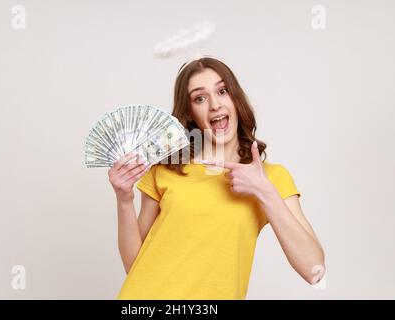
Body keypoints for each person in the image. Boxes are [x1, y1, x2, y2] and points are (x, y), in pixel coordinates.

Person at [109, 56, 325, 299]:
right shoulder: (167, 169)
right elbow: (135, 267)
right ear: (190, 113)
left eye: (222, 91)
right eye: (200, 98)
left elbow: (314, 270)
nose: (214, 105)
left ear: (235, 99)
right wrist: (124, 200)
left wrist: (264, 191)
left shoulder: (271, 177)